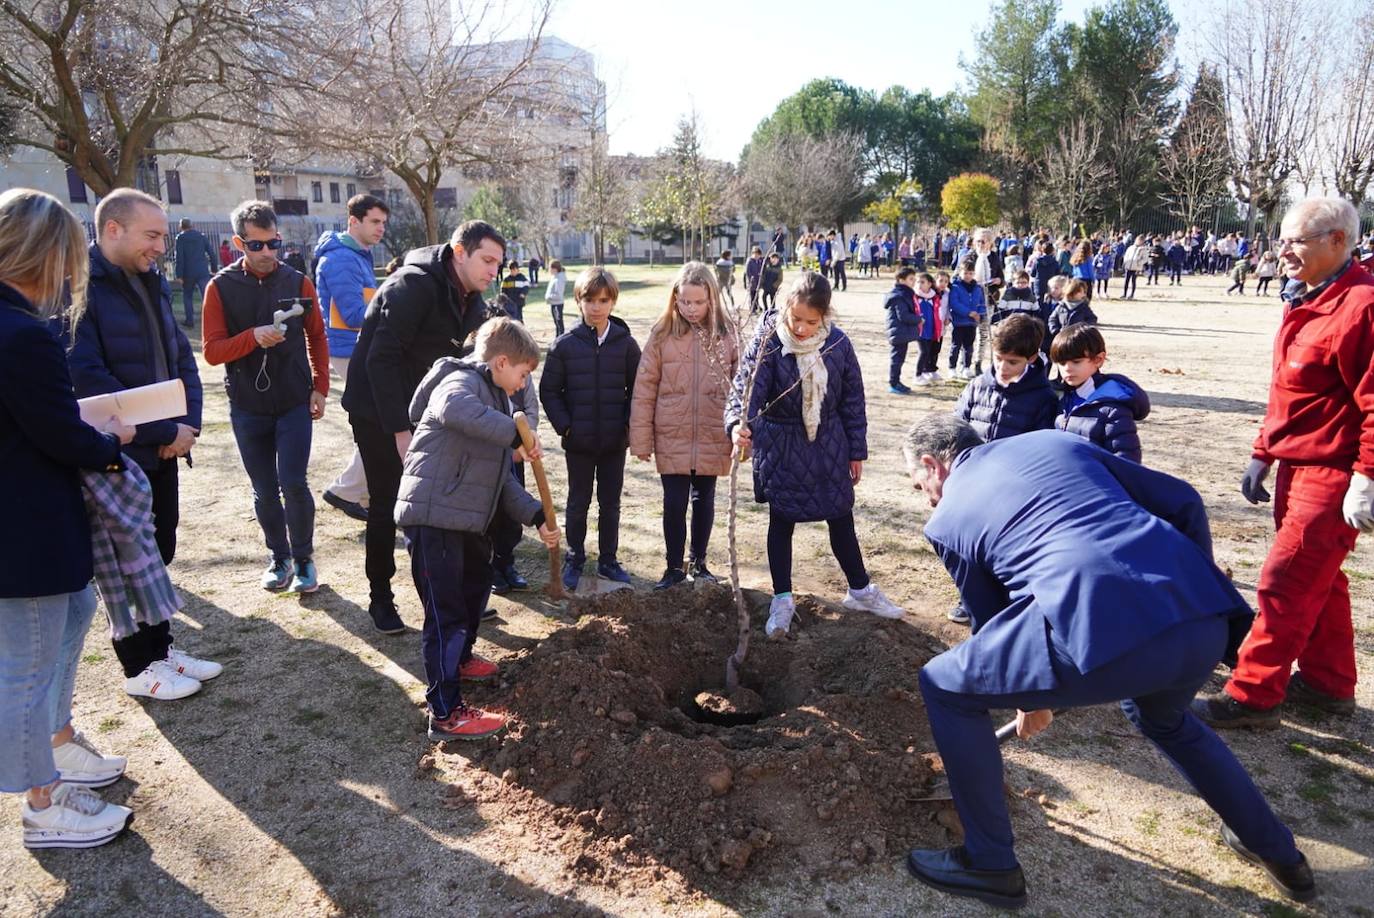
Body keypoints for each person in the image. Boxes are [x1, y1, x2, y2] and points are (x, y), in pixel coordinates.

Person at [901, 416, 1317, 909]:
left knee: (945, 686)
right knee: (1162, 718)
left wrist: (1026, 698)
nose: (926, 498)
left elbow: (993, 625)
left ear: (933, 464)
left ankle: (989, 863)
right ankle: (1278, 852)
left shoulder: (947, 520)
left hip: (1098, 622)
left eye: (918, 484)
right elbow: (1183, 500)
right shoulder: (1054, 442)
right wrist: (1186, 596)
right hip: (1199, 615)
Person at [1194, 197, 1374, 729]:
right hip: (1298, 465)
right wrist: (1263, 451)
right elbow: (1290, 392)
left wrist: (1366, 476)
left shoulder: (1361, 307)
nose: (1283, 251)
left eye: (1297, 240)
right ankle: (1328, 682)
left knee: (1285, 583)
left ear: (1338, 241)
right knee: (1321, 580)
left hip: (1332, 473)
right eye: (1282, 239)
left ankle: (1253, 696)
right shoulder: (1309, 298)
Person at [1, 188, 138, 849]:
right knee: (23, 669)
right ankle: (41, 802)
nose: (70, 275)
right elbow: (59, 433)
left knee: (75, 615)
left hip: (28, 524)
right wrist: (113, 443)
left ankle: (56, 745)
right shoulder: (21, 335)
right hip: (22, 532)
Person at [67, 188, 209, 700]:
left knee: (159, 550)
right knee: (125, 564)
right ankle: (138, 669)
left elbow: (181, 358)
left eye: (164, 236)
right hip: (118, 454)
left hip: (167, 446)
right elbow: (88, 382)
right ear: (112, 229)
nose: (161, 247)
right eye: (152, 235)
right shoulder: (77, 288)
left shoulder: (150, 281)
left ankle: (162, 650)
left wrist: (188, 423)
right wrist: (161, 431)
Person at [395, 317, 560, 741]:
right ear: (501, 361)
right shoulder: (459, 380)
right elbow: (453, 409)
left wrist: (536, 515)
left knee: (473, 595)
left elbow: (502, 478)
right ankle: (446, 712)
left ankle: (462, 661)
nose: (523, 385)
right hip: (434, 517)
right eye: (523, 375)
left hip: (466, 520)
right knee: (446, 614)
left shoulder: (498, 401)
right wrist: (515, 434)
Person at [342, 220, 506, 635]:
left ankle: (453, 596)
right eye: (486, 260)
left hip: (426, 409)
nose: (493, 271)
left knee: (439, 503)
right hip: (377, 410)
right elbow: (381, 360)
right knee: (387, 503)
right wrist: (399, 430)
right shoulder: (412, 286)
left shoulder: (470, 298)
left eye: (498, 264)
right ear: (459, 252)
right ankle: (381, 598)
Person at [726, 272, 904, 639]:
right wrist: (738, 425)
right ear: (785, 309)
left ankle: (860, 590)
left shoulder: (838, 345)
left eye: (812, 321)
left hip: (829, 444)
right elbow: (746, 390)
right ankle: (782, 598)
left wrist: (856, 449)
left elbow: (852, 401)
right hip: (782, 445)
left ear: (825, 315)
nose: (803, 329)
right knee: (782, 521)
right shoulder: (769, 344)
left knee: (841, 518)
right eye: (796, 320)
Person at [202, 200, 330, 593]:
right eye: (256, 245)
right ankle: (279, 557)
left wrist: (320, 387)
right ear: (239, 242)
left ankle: (304, 559)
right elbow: (211, 351)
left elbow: (317, 335)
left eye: (273, 243)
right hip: (247, 406)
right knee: (264, 489)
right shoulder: (220, 286)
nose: (267, 253)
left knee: (294, 482)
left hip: (293, 400)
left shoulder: (297, 281)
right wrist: (253, 337)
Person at [630, 262, 739, 590]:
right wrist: (641, 439)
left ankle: (700, 562)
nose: (691, 309)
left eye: (698, 302)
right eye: (684, 301)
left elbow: (742, 384)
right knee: (674, 502)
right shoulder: (662, 334)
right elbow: (645, 387)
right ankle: (673, 566)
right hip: (672, 432)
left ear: (712, 299)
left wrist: (739, 430)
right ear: (674, 299)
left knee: (704, 499)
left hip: (712, 430)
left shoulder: (727, 334)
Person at [539, 267, 641, 591]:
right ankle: (575, 557)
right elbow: (549, 391)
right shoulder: (564, 346)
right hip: (579, 442)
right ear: (578, 301)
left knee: (610, 503)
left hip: (613, 442)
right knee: (578, 501)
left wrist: (625, 425)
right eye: (589, 300)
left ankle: (608, 560)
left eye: (603, 300)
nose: (596, 307)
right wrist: (566, 427)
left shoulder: (626, 344)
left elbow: (637, 390)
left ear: (612, 302)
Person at [315, 193, 389, 524]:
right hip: (349, 350)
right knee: (381, 426)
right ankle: (348, 490)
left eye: (384, 223)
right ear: (353, 221)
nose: (381, 229)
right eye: (375, 221)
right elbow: (354, 314)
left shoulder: (355, 255)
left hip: (356, 348)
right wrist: (394, 305)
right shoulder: (342, 260)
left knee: (380, 424)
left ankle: (358, 491)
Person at [1051, 323, 1149, 463]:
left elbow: (1126, 461)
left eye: (1076, 361)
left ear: (1098, 360)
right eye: (1061, 363)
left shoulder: (1113, 410)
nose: (1067, 369)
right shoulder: (1061, 399)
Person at [885, 266, 923, 394]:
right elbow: (903, 316)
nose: (914, 282)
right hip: (898, 332)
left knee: (899, 358)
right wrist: (918, 319)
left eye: (914, 279)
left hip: (901, 332)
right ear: (901, 280)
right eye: (911, 279)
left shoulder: (906, 294)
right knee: (897, 359)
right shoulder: (899, 296)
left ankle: (896, 381)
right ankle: (893, 383)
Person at [172, 218, 214, 328]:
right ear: (193, 225)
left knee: (187, 296)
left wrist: (179, 274)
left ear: (181, 227)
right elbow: (211, 253)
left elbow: (179, 257)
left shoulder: (180, 238)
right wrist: (214, 268)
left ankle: (189, 321)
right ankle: (211, 320)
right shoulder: (201, 236)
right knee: (207, 296)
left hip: (187, 272)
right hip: (202, 270)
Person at [946, 259, 984, 379]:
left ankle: (966, 367)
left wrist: (980, 315)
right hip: (959, 322)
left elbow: (982, 303)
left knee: (969, 347)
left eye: (970, 273)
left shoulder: (978, 288)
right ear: (960, 273)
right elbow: (954, 303)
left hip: (971, 323)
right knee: (956, 346)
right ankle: (952, 368)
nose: (968, 276)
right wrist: (968, 313)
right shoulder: (955, 287)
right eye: (965, 273)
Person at [912, 272, 942, 385]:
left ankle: (925, 372)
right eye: (918, 281)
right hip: (920, 330)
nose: (919, 284)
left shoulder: (934, 297)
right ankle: (917, 375)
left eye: (922, 282)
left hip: (931, 329)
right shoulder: (914, 296)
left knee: (929, 352)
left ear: (930, 284)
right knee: (923, 352)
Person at [545, 259, 567, 336]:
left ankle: (561, 337)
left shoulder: (559, 279)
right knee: (556, 322)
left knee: (559, 322)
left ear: (555, 269)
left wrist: (549, 297)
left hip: (558, 303)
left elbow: (559, 294)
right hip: (553, 303)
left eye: (550, 268)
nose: (549, 270)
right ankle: (558, 337)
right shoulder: (554, 277)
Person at [743, 246, 764, 313]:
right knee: (752, 296)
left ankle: (756, 306)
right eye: (756, 254)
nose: (757, 256)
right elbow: (747, 272)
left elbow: (760, 270)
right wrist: (751, 280)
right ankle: (752, 309)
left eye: (758, 255)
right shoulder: (750, 261)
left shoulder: (759, 261)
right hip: (751, 282)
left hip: (757, 281)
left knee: (756, 296)